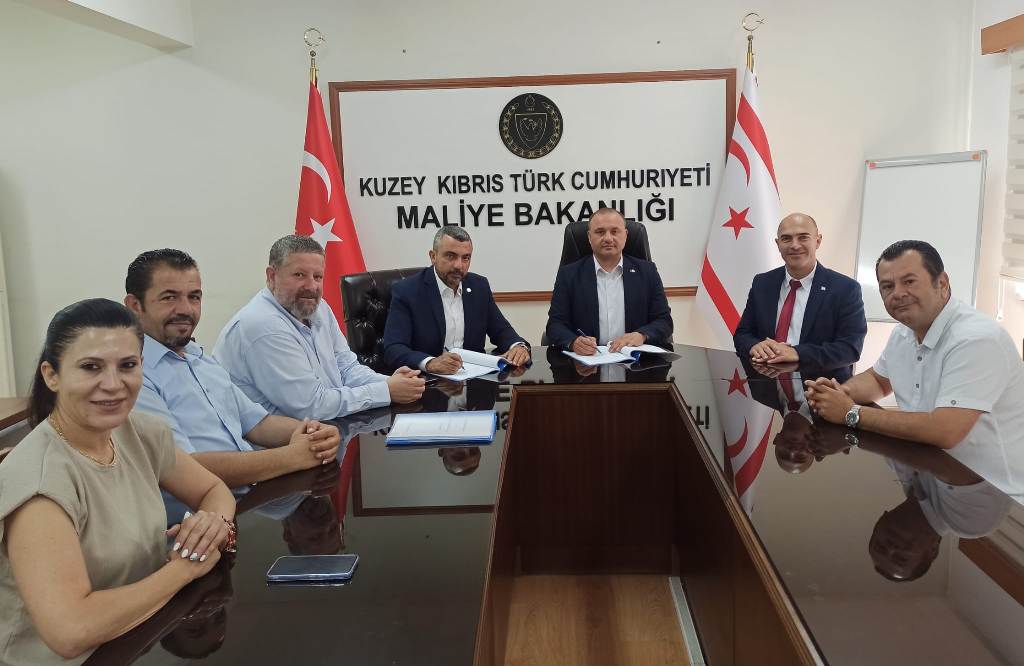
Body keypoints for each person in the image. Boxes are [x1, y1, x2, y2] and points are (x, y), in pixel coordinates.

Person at [0, 299, 236, 664]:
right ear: (52, 375)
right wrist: (184, 569)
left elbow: (213, 490)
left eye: (127, 365)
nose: (113, 384)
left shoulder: (140, 432)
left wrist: (213, 524)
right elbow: (70, 631)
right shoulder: (40, 484)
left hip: (133, 640)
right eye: (91, 367)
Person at [805, 240, 1024, 492]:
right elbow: (878, 380)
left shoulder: (977, 339)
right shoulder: (903, 333)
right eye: (887, 286)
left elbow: (944, 431)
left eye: (909, 281)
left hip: (993, 491)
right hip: (929, 472)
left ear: (942, 283)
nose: (897, 293)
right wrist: (838, 393)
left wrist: (850, 412)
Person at [124, 249, 342, 493]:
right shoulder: (132, 377)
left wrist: (315, 433)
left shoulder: (199, 358)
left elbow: (258, 424)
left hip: (251, 496)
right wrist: (292, 457)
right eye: (169, 297)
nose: (185, 309)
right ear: (135, 306)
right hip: (200, 512)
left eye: (194, 297)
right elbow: (185, 467)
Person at [214, 235, 425, 420]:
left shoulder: (318, 307)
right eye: (299, 275)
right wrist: (386, 391)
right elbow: (312, 406)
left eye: (318, 277)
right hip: (271, 447)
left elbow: (347, 368)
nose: (311, 286)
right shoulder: (263, 325)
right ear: (272, 276)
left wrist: (394, 383)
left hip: (320, 431)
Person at [734, 213, 866, 379]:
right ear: (777, 244)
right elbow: (742, 334)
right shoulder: (762, 283)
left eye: (803, 237)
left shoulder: (845, 288)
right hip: (769, 384)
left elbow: (850, 349)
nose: (794, 245)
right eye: (786, 239)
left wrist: (797, 353)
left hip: (823, 387)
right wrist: (754, 346)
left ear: (818, 241)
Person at [382, 226, 530, 374]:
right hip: (426, 381)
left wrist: (518, 347)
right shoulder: (407, 291)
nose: (459, 265)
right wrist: (430, 363)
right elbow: (393, 348)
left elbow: (502, 331)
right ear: (433, 256)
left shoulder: (479, 286)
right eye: (450, 256)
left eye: (465, 258)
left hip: (474, 379)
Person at [545, 208, 673, 354]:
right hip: (587, 362)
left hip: (635, 360)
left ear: (625, 235)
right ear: (589, 237)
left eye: (614, 231)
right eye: (600, 232)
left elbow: (664, 321)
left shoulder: (647, 272)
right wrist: (574, 342)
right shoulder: (568, 275)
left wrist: (642, 335)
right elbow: (555, 324)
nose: (608, 238)